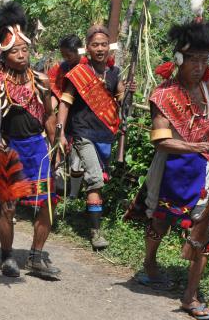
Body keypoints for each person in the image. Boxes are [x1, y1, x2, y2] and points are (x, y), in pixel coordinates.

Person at [137, 19, 209, 320]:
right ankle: (150, 264)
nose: (199, 66)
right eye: (193, 59)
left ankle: (190, 295)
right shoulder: (163, 95)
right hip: (172, 166)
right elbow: (162, 141)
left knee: (202, 230)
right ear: (180, 59)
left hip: (207, 170)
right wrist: (205, 147)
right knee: (160, 222)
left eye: (205, 59)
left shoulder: (208, 85)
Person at [0, 2, 60, 280]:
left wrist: (55, 144)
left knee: (46, 203)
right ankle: (7, 257)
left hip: (38, 149)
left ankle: (36, 257)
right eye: (15, 51)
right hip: (10, 150)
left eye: (24, 50)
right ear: (4, 54)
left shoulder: (41, 81)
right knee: (8, 207)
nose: (22, 55)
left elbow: (49, 115)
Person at [56, 25, 131, 249]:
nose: (100, 48)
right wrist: (60, 132)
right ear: (87, 48)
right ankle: (96, 233)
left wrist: (127, 92)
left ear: (109, 48)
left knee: (94, 179)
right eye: (95, 45)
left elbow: (120, 101)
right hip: (83, 132)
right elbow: (65, 103)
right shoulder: (78, 74)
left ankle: (65, 194)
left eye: (104, 44)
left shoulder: (114, 73)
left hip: (105, 134)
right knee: (96, 180)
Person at [47, 35, 83, 199]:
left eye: (69, 55)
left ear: (78, 51)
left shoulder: (87, 67)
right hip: (63, 114)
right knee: (58, 150)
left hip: (82, 116)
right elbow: (55, 92)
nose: (66, 59)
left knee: (77, 157)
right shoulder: (62, 68)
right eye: (64, 56)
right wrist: (47, 112)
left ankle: (74, 195)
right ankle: (58, 188)